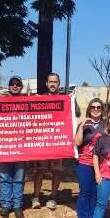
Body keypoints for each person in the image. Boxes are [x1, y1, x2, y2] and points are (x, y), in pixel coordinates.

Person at [0, 76, 27, 218]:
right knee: (4, 177)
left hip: (21, 147)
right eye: (12, 84)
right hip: (3, 146)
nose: (15, 86)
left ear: (21, 87)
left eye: (18, 84)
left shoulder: (27, 101)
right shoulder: (0, 100)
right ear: (8, 86)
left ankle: (17, 206)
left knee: (19, 178)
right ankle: (5, 205)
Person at [32, 72, 64, 210]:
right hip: (43, 142)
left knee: (56, 171)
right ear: (46, 84)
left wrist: (71, 100)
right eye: (50, 82)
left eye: (55, 82)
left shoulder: (65, 99)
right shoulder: (40, 98)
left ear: (59, 84)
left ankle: (53, 197)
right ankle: (36, 197)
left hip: (58, 141)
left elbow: (77, 113)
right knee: (40, 170)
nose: (52, 84)